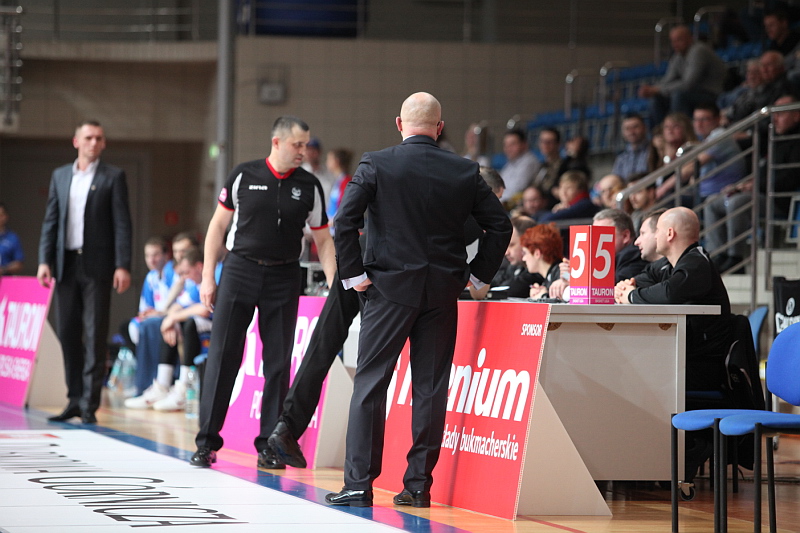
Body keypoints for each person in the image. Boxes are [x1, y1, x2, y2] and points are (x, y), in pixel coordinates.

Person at [326, 92, 511, 508]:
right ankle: (417, 486)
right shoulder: (464, 169)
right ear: (439, 128)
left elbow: (344, 221)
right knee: (430, 389)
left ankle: (359, 484)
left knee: (371, 384)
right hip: (443, 291)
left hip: (389, 289)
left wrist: (355, 275)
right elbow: (500, 226)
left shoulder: (376, 163)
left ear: (399, 123)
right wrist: (477, 276)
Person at [190, 116, 336, 470]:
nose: (303, 151)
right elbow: (217, 227)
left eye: (306, 145)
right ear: (276, 142)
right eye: (297, 144)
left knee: (278, 363)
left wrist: (335, 285)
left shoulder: (310, 185)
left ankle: (268, 446)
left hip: (284, 276)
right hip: (239, 270)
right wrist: (208, 277)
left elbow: (323, 240)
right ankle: (206, 443)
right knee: (223, 357)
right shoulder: (244, 174)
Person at [37, 120, 132, 425]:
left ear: (103, 144)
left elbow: (122, 223)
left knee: (94, 333)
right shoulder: (61, 175)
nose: (94, 142)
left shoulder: (113, 176)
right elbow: (51, 220)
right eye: (89, 137)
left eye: (99, 138)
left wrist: (122, 264)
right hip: (65, 264)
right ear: (76, 141)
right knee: (68, 331)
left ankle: (90, 404)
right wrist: (44, 260)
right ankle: (74, 399)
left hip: (98, 266)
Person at [615, 207, 733, 392]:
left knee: (628, 374)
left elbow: (669, 293)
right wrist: (627, 286)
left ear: (670, 234)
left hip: (702, 366)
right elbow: (642, 279)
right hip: (682, 356)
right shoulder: (668, 264)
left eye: (658, 231)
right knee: (624, 366)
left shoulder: (697, 263)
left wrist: (630, 295)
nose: (655, 236)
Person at [127, 232, 197, 396]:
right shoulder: (154, 276)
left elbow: (199, 307)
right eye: (177, 251)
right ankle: (153, 384)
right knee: (134, 326)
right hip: (176, 315)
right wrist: (165, 315)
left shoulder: (187, 272)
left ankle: (164, 384)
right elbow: (176, 303)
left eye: (184, 251)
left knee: (154, 326)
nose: (180, 255)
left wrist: (169, 317)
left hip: (193, 319)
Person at [149, 247, 214, 412]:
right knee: (172, 324)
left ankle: (185, 386)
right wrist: (171, 320)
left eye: (186, 272)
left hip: (217, 326)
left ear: (199, 267)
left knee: (189, 323)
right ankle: (162, 385)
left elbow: (205, 310)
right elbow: (177, 306)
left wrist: (173, 318)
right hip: (204, 325)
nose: (184, 277)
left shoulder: (211, 278)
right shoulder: (193, 284)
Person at [638, 25, 727, 128]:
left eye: (679, 40)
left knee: (678, 96)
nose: (675, 44)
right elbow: (667, 80)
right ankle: (660, 132)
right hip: (691, 93)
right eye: (673, 41)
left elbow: (688, 83)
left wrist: (657, 89)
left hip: (710, 93)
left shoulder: (699, 50)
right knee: (656, 99)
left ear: (690, 38)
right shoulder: (678, 56)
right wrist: (652, 89)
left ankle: (682, 130)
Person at [592, 208, 648, 282]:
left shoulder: (634, 257)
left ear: (625, 236)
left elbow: (611, 284)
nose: (596, 241)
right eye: (594, 235)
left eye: (602, 235)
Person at [520, 223, 563, 299]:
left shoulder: (563, 272)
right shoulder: (551, 276)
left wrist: (543, 296)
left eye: (525, 253)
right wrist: (541, 292)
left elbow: (571, 282)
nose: (523, 258)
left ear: (537, 253)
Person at [499, 128, 540, 206]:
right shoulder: (509, 164)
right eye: (506, 145)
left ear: (524, 144)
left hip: (519, 205)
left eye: (512, 144)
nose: (508, 148)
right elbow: (499, 186)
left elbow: (516, 190)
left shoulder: (529, 162)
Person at [611, 113, 651, 181]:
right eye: (627, 129)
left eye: (635, 127)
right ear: (623, 132)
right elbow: (615, 180)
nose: (631, 132)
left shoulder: (653, 150)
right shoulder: (621, 158)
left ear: (645, 128)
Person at [533, 127, 564, 202]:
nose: (545, 145)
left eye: (549, 142)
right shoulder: (542, 165)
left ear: (558, 144)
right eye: (542, 141)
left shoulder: (564, 166)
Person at [302, 137, 336, 204]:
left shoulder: (328, 173)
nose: (309, 153)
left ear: (319, 152)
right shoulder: (299, 173)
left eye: (313, 150)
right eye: (307, 150)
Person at [326, 148, 354, 221]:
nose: (327, 163)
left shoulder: (347, 182)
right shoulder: (338, 181)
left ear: (336, 161)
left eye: (329, 160)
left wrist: (334, 220)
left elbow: (345, 207)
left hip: (337, 224)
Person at [0, 202, 24, 276]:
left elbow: (19, 263)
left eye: (1, 215)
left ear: (5, 217)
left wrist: (3, 269)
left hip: (6, 279)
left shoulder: (13, 238)